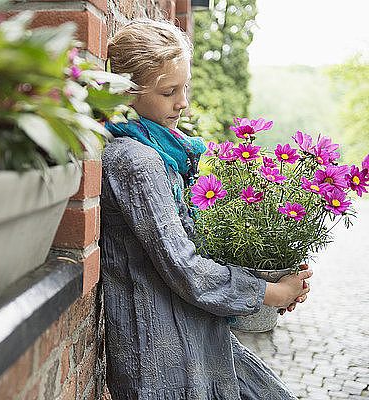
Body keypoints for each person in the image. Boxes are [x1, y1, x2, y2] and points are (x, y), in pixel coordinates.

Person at [100, 18, 312, 399]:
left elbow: (193, 250)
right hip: (163, 358)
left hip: (198, 336)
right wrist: (270, 293)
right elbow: (186, 268)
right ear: (127, 94)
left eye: (185, 87)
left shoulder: (166, 153)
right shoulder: (136, 161)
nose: (183, 102)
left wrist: (270, 276)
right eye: (168, 92)